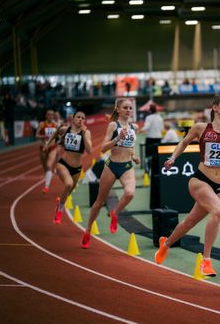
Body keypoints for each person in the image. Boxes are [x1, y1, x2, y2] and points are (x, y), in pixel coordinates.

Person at [154, 94, 220, 277]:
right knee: (218, 211)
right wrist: (172, 158)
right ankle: (206, 262)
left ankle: (165, 244)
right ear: (215, 107)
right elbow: (183, 142)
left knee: (190, 222)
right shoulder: (200, 128)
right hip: (199, 181)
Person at [81, 98, 140, 249]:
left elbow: (131, 147)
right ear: (118, 110)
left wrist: (134, 156)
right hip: (112, 166)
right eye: (125, 108)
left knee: (130, 193)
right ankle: (88, 230)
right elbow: (102, 148)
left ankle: (115, 213)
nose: (128, 110)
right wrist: (117, 139)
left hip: (127, 166)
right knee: (99, 201)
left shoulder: (135, 127)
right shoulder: (114, 125)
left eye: (130, 108)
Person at [44, 110, 92, 224]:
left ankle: (60, 203)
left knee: (69, 190)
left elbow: (89, 151)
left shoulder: (86, 133)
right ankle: (60, 209)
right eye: (78, 117)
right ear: (73, 118)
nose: (80, 119)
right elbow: (56, 132)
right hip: (63, 164)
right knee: (68, 184)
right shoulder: (66, 130)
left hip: (77, 168)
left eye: (83, 118)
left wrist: (84, 135)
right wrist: (48, 143)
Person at [36, 109, 59, 193]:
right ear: (46, 115)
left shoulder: (55, 125)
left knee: (49, 165)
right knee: (46, 168)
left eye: (52, 115)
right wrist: (43, 136)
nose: (50, 116)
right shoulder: (42, 124)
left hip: (52, 147)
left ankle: (46, 187)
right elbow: (36, 135)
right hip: (43, 148)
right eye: (49, 115)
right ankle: (49, 174)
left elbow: (60, 135)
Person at [141, 103, 164, 173]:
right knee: (157, 156)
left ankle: (147, 172)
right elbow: (161, 128)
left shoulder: (149, 117)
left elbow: (146, 127)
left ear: (150, 111)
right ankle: (157, 171)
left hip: (150, 139)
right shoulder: (160, 118)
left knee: (148, 156)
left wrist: (139, 130)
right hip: (158, 138)